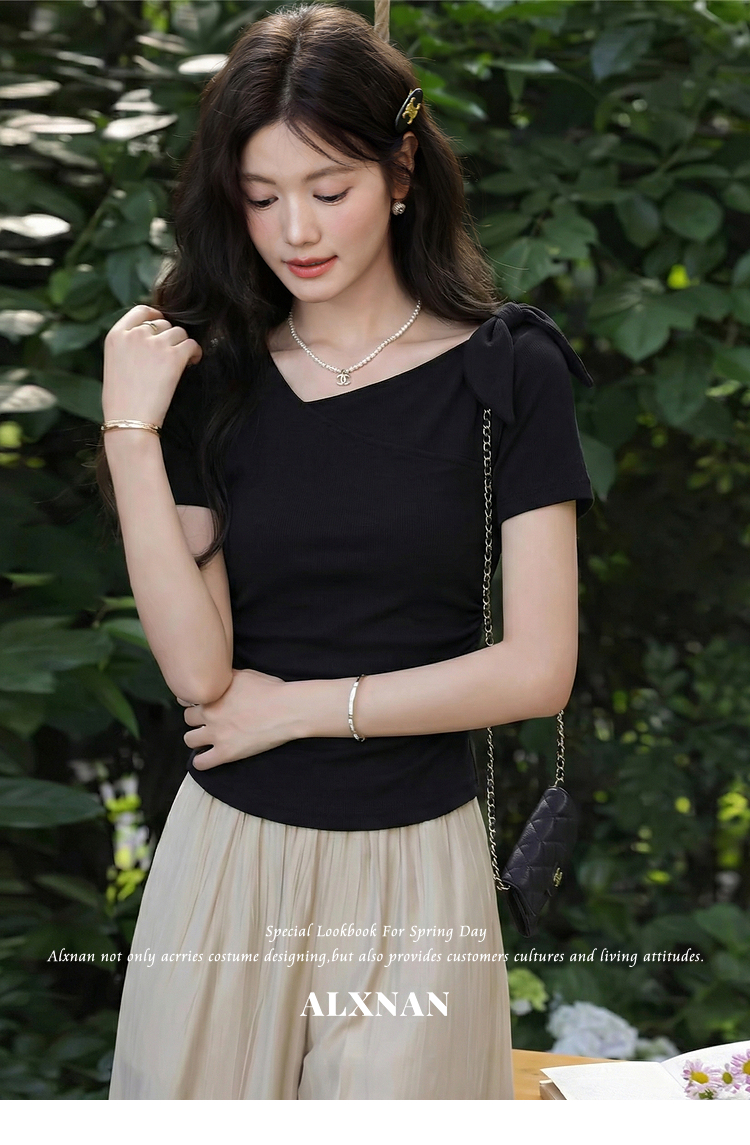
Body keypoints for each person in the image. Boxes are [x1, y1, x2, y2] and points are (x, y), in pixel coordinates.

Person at [100, 2, 594, 1101]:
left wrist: (298, 708)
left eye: (329, 190)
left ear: (401, 171)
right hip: (227, 860)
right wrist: (130, 431)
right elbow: (198, 672)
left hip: (415, 865)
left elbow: (538, 668)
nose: (296, 230)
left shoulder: (508, 371)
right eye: (261, 196)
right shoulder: (216, 374)